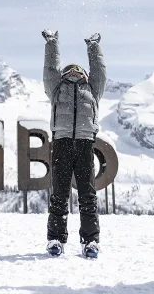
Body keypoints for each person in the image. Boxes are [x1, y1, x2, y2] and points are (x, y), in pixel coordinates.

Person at [42, 30, 106, 259]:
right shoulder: (57, 89)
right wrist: (52, 43)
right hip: (61, 143)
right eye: (70, 69)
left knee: (88, 195)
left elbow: (99, 71)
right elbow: (50, 69)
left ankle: (90, 242)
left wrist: (93, 46)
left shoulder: (92, 89)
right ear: (64, 73)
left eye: (78, 69)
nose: (74, 71)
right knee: (59, 194)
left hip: (85, 143)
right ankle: (55, 240)